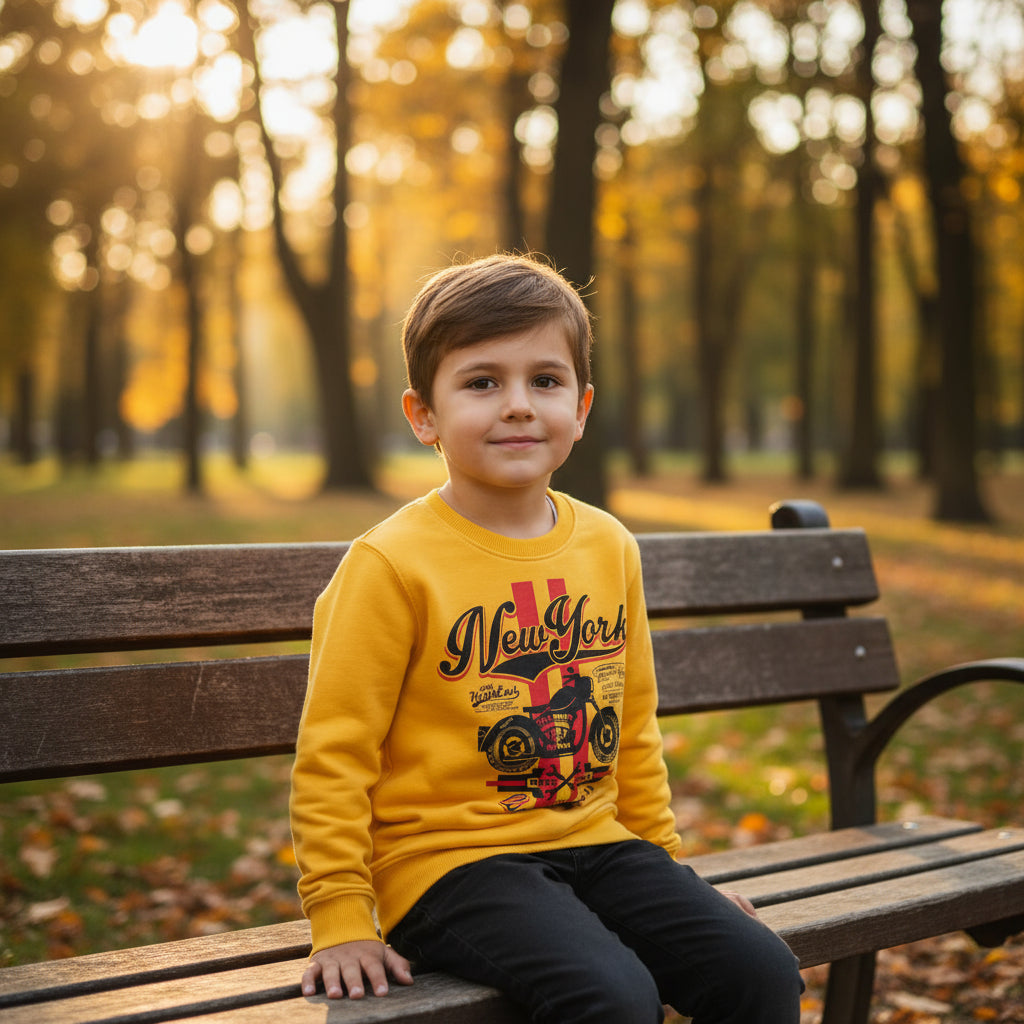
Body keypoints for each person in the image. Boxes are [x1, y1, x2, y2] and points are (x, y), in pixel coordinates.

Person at [290, 253, 803, 1022]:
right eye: (482, 382)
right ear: (422, 414)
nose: (519, 405)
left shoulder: (607, 545)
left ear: (582, 406)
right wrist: (337, 917)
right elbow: (334, 752)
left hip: (597, 840)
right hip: (447, 866)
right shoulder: (391, 564)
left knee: (758, 970)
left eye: (546, 380)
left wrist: (668, 869)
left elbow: (630, 722)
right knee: (612, 997)